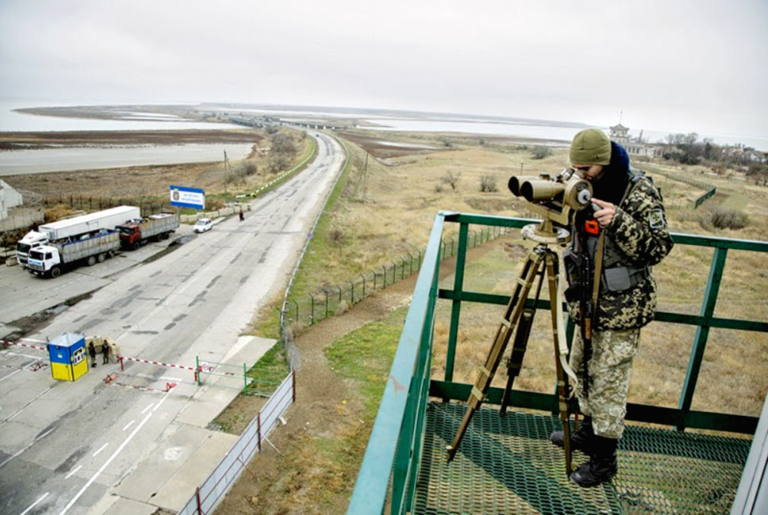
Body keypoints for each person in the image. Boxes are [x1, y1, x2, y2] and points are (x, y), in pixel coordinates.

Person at [550, 129, 674, 487]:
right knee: (582, 370)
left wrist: (619, 221)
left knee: (609, 383)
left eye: (586, 167)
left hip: (621, 309)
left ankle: (604, 462)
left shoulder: (638, 191)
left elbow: (658, 247)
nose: (580, 174)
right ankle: (589, 432)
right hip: (586, 301)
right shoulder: (579, 182)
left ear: (603, 162)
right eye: (575, 167)